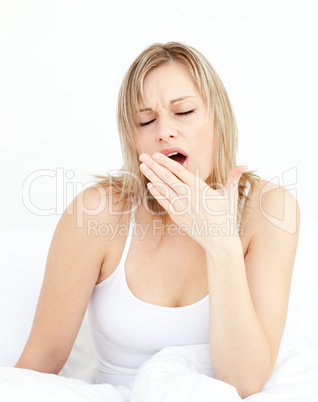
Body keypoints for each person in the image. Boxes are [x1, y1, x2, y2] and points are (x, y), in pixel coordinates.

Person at [14, 42, 300, 399]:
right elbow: (39, 362)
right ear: (134, 140)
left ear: (218, 118)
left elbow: (244, 382)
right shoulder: (97, 210)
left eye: (184, 112)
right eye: (146, 120)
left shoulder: (270, 209)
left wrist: (221, 243)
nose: (164, 131)